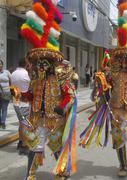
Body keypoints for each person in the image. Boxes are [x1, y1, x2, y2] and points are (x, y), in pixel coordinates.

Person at [80, 2, 127, 177]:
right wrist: (100, 88)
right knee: (118, 138)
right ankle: (122, 165)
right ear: (119, 60)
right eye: (124, 59)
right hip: (116, 110)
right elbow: (104, 89)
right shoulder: (113, 74)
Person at [20, 1, 77, 179]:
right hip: (37, 117)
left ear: (52, 62)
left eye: (45, 62)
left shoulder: (60, 76)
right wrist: (22, 94)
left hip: (54, 118)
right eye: (40, 62)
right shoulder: (36, 77)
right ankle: (31, 173)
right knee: (34, 145)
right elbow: (30, 94)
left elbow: (70, 95)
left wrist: (63, 106)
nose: (42, 65)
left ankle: (61, 171)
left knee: (56, 146)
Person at [11, 59, 31, 155]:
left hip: (16, 101)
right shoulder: (25, 74)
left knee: (21, 123)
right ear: (26, 65)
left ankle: (20, 142)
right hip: (24, 103)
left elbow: (12, 88)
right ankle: (24, 145)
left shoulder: (13, 73)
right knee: (25, 124)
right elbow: (30, 87)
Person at [0, 59, 12, 130]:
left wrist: (11, 89)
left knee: (4, 108)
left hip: (6, 93)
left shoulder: (6, 72)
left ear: (2, 65)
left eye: (0, 64)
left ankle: (3, 122)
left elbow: (11, 81)